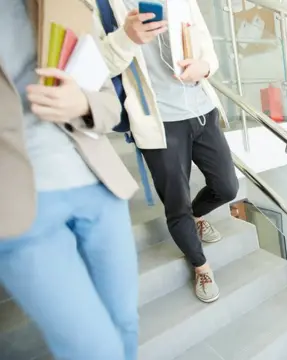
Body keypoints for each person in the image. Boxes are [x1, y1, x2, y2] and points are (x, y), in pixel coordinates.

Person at [0, 1, 139, 359]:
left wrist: (82, 103)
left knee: (125, 322)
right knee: (95, 350)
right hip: (18, 210)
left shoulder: (63, 5)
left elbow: (111, 105)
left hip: (99, 188)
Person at [96, 0, 239, 303]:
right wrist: (126, 36)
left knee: (227, 187)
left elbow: (204, 39)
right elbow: (98, 67)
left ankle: (197, 215)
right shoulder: (103, 5)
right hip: (159, 120)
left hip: (202, 109)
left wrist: (206, 66)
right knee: (176, 203)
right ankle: (200, 266)